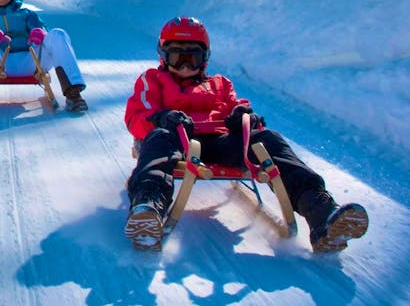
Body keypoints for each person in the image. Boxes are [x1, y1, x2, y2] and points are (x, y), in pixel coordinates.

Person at [124, 16, 369, 252]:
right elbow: (137, 117)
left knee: (269, 139)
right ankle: (148, 205)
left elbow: (237, 106)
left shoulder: (220, 83)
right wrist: (160, 118)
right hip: (177, 138)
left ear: (204, 58)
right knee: (157, 138)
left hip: (220, 142)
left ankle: (321, 211)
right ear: (164, 56)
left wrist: (243, 116)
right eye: (178, 57)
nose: (186, 66)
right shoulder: (153, 80)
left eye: (193, 57)